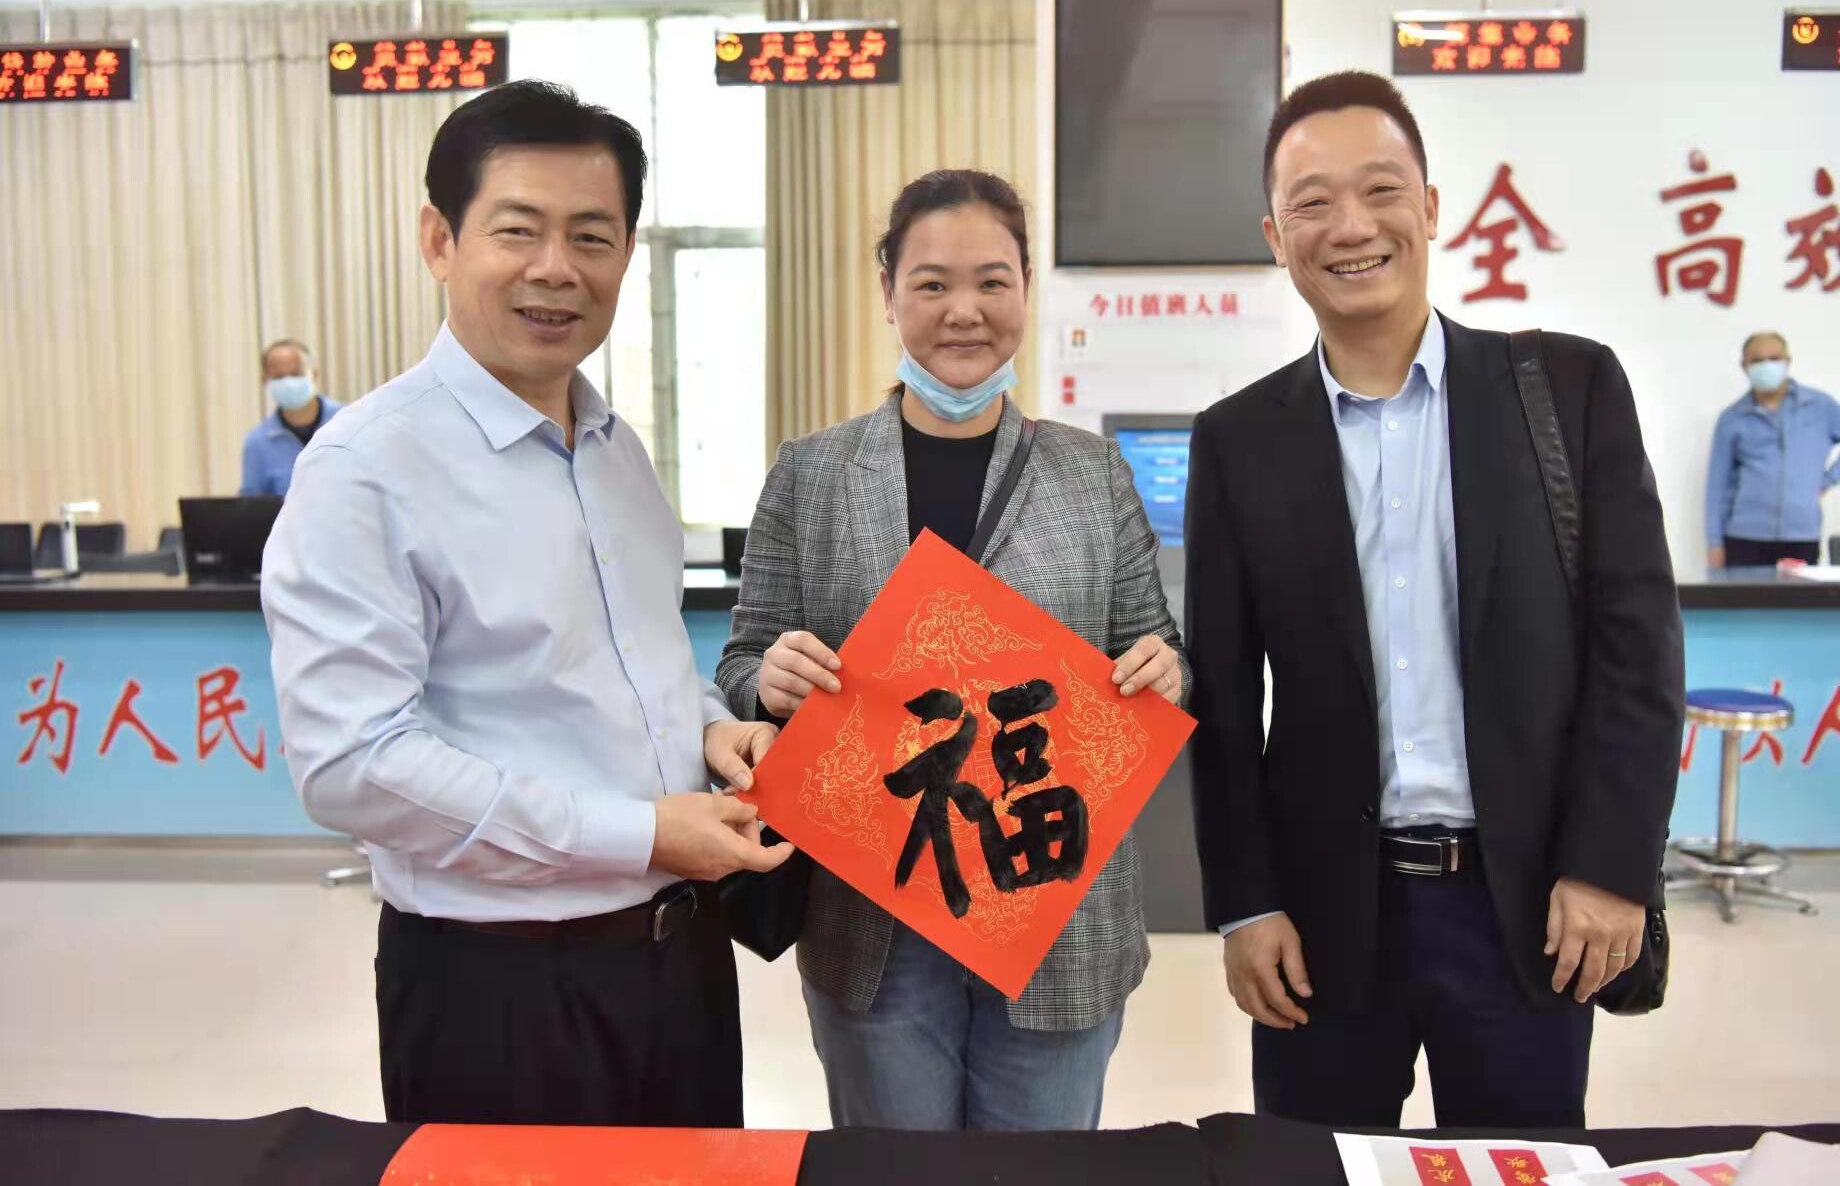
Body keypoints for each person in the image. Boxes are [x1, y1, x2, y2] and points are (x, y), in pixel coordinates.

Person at [261, 80, 792, 1129]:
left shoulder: (617, 451)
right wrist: (638, 833)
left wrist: (709, 729)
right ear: (439, 240)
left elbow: (633, 660)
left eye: (592, 236)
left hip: (681, 966)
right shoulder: (366, 468)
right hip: (498, 989)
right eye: (518, 229)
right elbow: (351, 762)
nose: (557, 268)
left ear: (626, 255)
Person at [1185, 71, 1683, 1128]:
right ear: (1276, 236)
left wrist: (1611, 868)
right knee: (1314, 1166)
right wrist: (1244, 902)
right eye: (1312, 202)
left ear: (1432, 208)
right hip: (1321, 920)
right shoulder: (1237, 440)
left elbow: (1637, 654)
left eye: (1381, 190)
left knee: (1519, 1164)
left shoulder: (1567, 390)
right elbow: (1222, 702)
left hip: (1528, 907)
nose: (1350, 226)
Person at [716, 169, 1186, 1132]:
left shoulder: (1091, 472)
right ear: (888, 291)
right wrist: (767, 679)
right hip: (876, 916)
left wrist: (1165, 671)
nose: (963, 311)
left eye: (991, 281)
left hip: (1053, 907)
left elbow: (1157, 652)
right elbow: (743, 662)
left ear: (1026, 289)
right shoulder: (811, 474)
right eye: (932, 283)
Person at [1705, 331, 1840, 568]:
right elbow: (1717, 486)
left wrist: (1827, 480)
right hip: (1745, 538)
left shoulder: (1820, 407)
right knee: (1746, 594)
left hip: (1802, 535)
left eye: (1774, 358)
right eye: (1757, 360)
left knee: (1800, 593)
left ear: (1788, 361)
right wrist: (1714, 543)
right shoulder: (1732, 418)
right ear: (1744, 366)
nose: (1767, 365)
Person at [239, 339, 342, 495]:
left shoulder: (347, 420)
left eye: (295, 374)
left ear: (314, 374)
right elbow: (251, 504)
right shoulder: (257, 443)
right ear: (265, 381)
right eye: (278, 376)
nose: (288, 382)